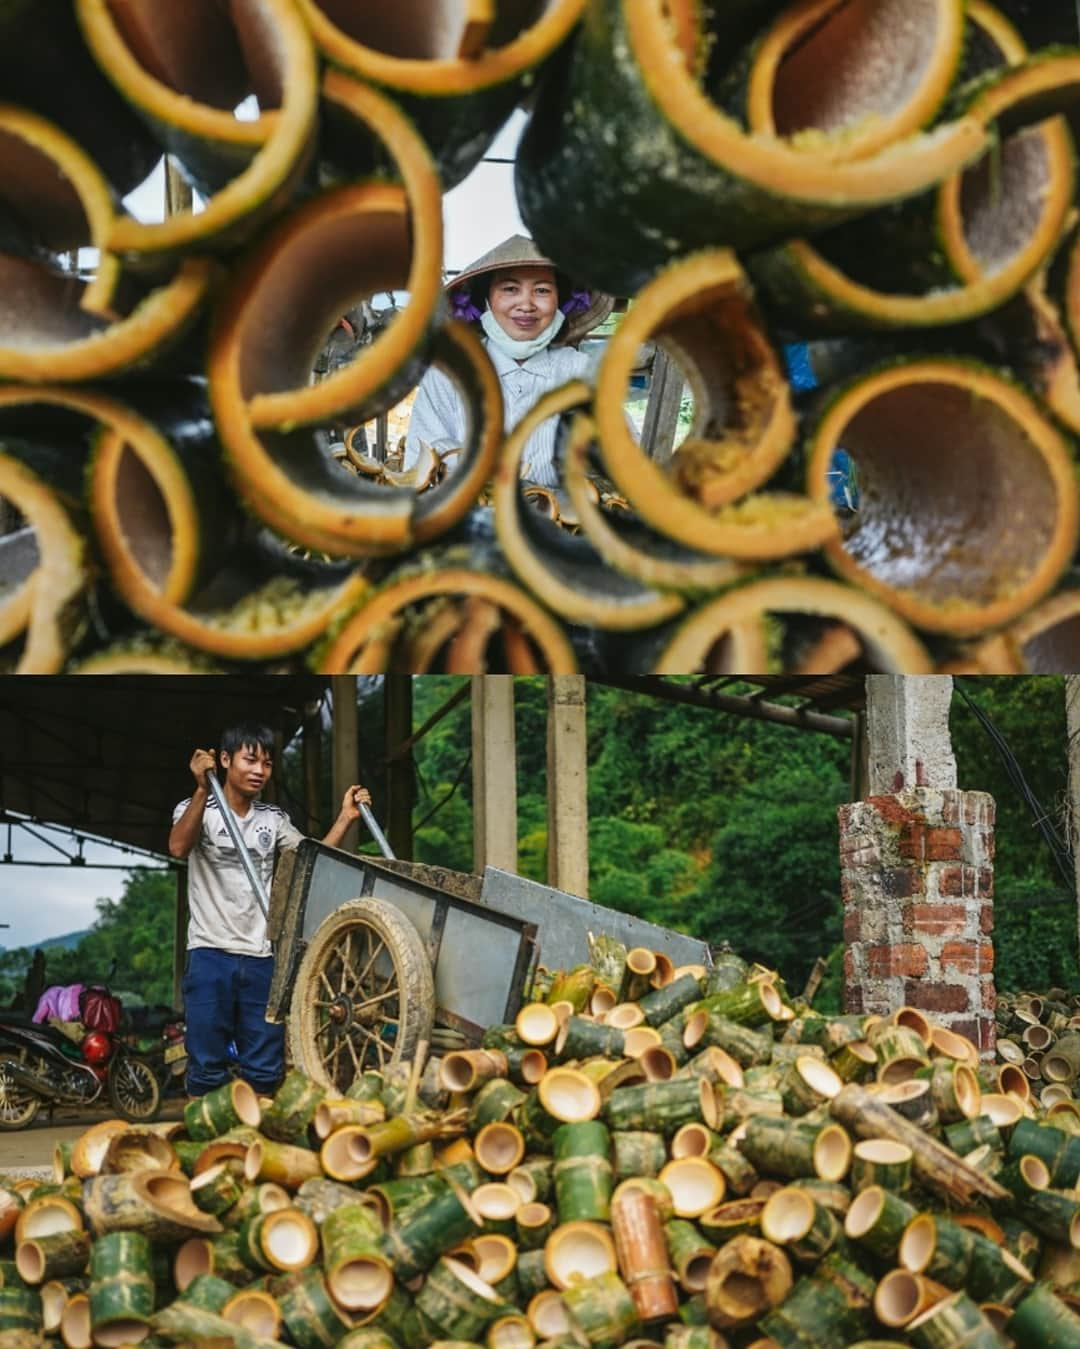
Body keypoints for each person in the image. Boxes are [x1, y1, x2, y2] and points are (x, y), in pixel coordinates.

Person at [168, 721, 372, 1099]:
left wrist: (345, 818)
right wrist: (200, 790)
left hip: (262, 956)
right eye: (250, 760)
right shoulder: (197, 809)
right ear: (225, 760)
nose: (260, 771)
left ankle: (258, 1142)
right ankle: (208, 1139)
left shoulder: (272, 819)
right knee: (206, 1064)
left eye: (267, 763)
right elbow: (179, 847)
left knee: (264, 1067)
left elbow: (311, 862)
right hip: (210, 953)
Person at [404, 235, 614, 487]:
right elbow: (419, 465)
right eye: (510, 289)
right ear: (485, 300)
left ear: (561, 301)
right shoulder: (448, 374)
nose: (526, 305)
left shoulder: (583, 374)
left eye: (542, 290)